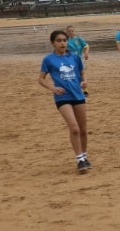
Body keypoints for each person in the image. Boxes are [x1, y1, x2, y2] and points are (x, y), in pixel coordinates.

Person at [38, 29, 92, 173]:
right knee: (74, 128)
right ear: (52, 43)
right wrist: (53, 88)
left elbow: (82, 72)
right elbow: (41, 79)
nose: (62, 43)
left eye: (64, 40)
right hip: (62, 97)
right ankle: (80, 160)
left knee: (83, 130)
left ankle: (85, 156)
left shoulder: (74, 57)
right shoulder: (48, 59)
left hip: (78, 95)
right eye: (59, 41)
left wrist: (84, 81)